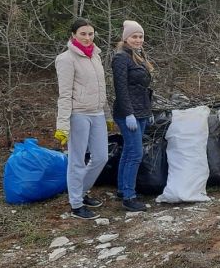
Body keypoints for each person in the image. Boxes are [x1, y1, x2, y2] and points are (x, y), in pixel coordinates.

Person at [54, 18, 112, 220]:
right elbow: (64, 94)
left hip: (96, 113)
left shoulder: (95, 56)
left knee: (101, 156)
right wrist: (62, 125)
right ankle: (76, 203)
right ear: (73, 35)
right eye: (83, 34)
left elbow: (101, 88)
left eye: (90, 34)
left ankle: (81, 190)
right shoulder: (66, 59)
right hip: (78, 114)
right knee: (77, 161)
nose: (88, 38)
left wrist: (107, 115)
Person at [111, 20, 153, 212]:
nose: (138, 40)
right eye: (134, 36)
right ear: (126, 38)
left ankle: (122, 189)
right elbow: (121, 90)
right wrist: (129, 114)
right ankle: (129, 197)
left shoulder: (138, 56)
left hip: (142, 111)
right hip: (128, 113)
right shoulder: (120, 58)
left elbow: (143, 88)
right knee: (135, 153)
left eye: (140, 36)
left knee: (129, 150)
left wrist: (149, 111)